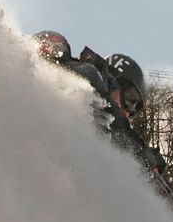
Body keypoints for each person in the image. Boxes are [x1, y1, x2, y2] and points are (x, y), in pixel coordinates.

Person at [32, 31, 166, 177]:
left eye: (133, 111)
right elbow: (113, 119)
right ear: (116, 81)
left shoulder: (96, 128)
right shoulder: (89, 74)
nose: (128, 112)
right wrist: (140, 152)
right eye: (130, 100)